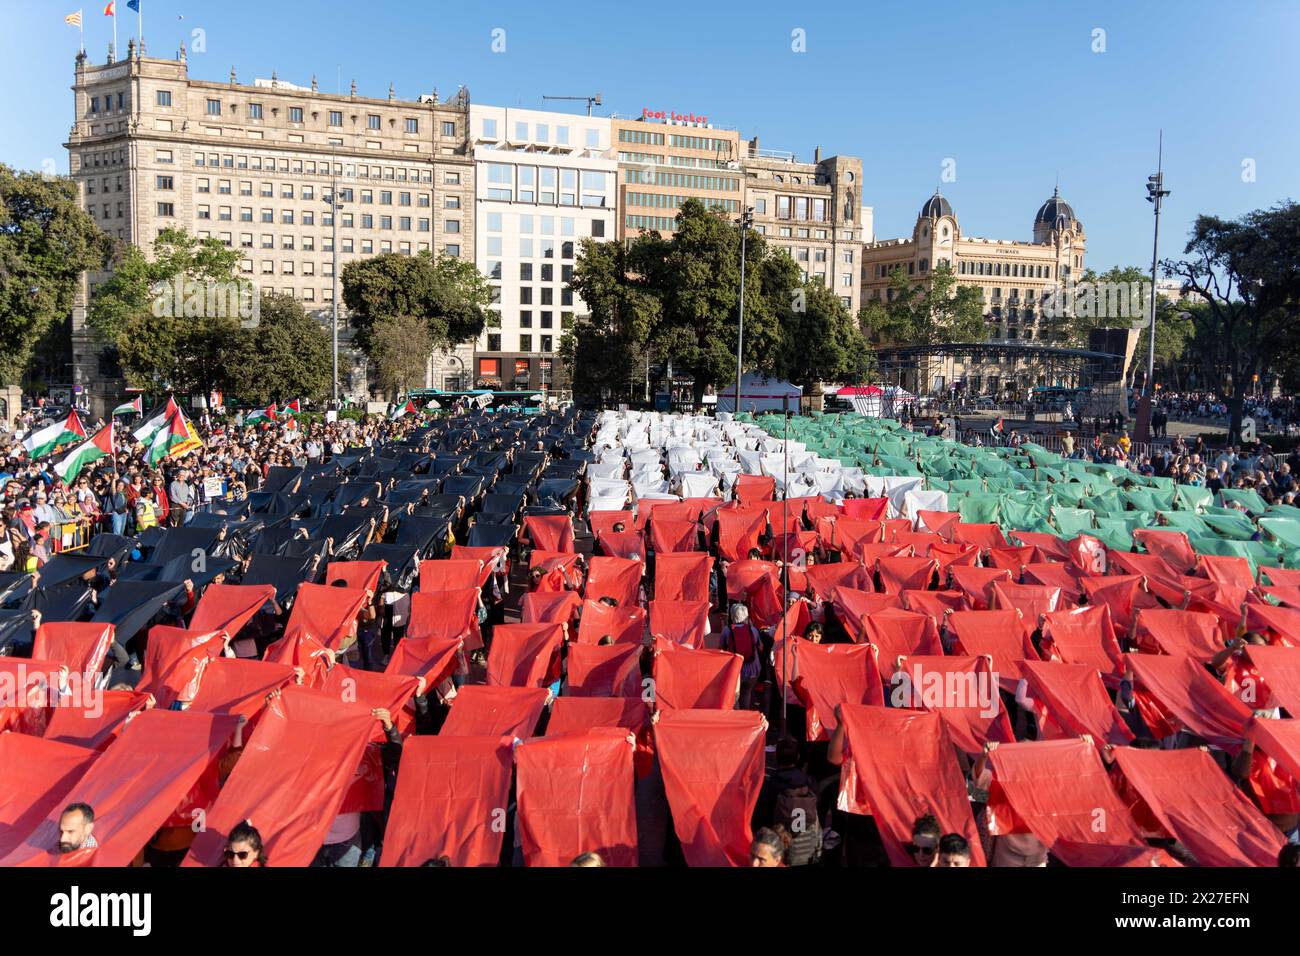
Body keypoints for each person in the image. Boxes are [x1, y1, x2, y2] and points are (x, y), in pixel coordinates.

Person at [720, 602, 762, 710]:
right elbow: (760, 647)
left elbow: (721, 648)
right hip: (753, 669)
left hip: (736, 669)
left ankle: (740, 714)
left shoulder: (727, 630)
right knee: (747, 692)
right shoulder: (753, 630)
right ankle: (747, 712)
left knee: (737, 694)